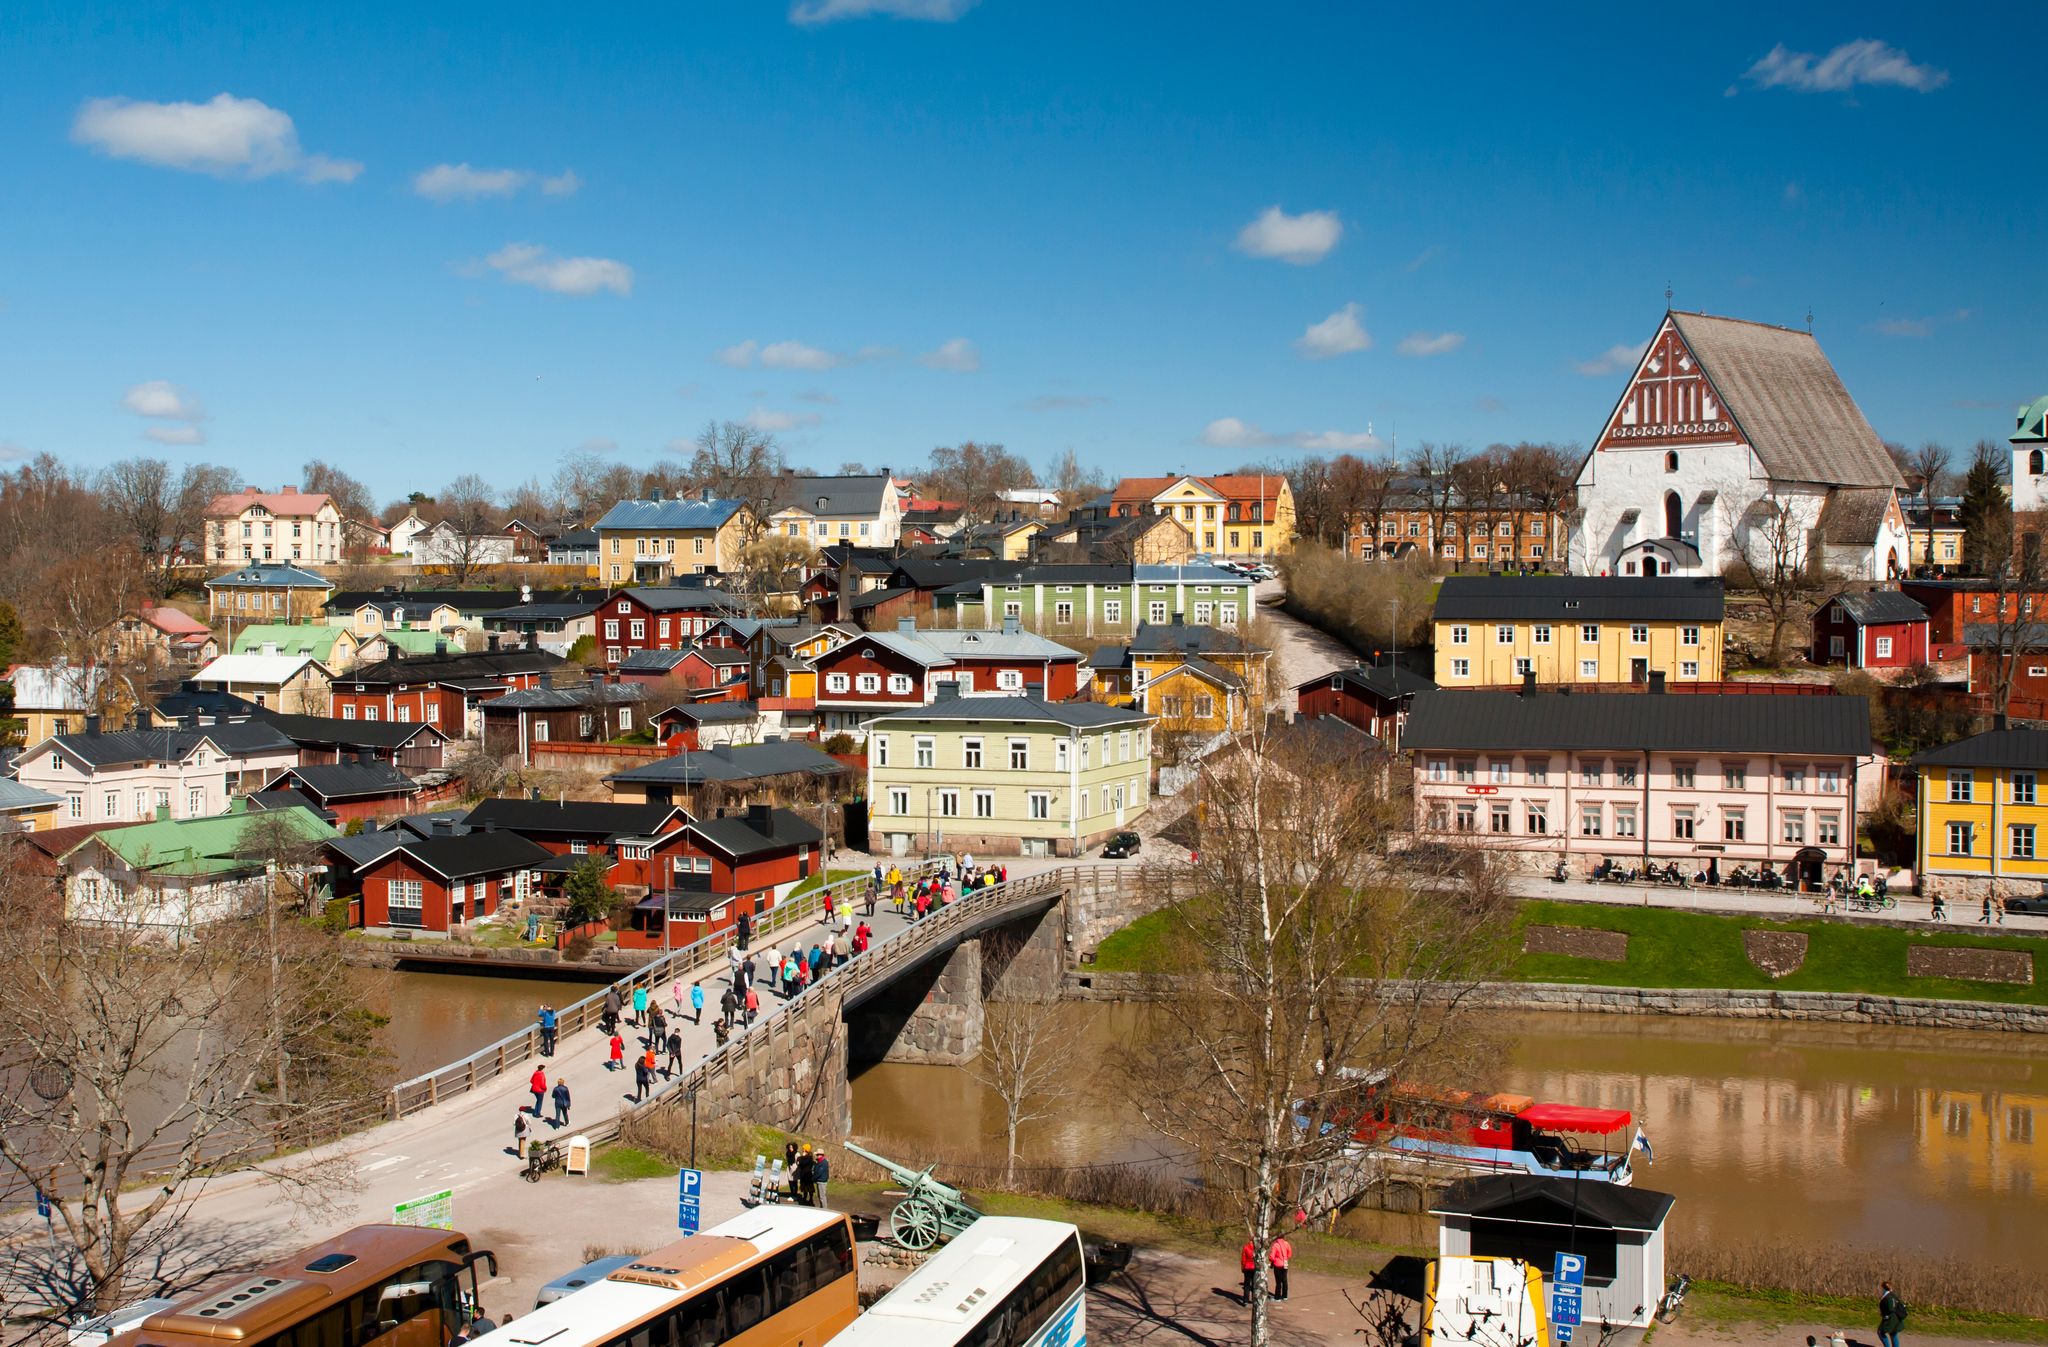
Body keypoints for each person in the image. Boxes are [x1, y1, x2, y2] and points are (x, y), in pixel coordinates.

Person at [1877, 1281, 1906, 1347]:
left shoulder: (1888, 1296)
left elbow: (1891, 1308)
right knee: (1893, 1333)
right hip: (1896, 1318)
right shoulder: (1892, 1295)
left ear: (1883, 1288)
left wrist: (1884, 1314)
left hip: (1891, 1318)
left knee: (1880, 1332)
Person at [1269, 1233, 1292, 1302]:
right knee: (1284, 1280)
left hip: (1277, 1264)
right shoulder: (1287, 1243)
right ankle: (1285, 1296)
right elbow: (1290, 1253)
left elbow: (1272, 1257)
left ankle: (1277, 1297)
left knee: (1278, 1281)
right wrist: (1285, 1258)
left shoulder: (1275, 1245)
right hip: (1285, 1264)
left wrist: (1272, 1260)